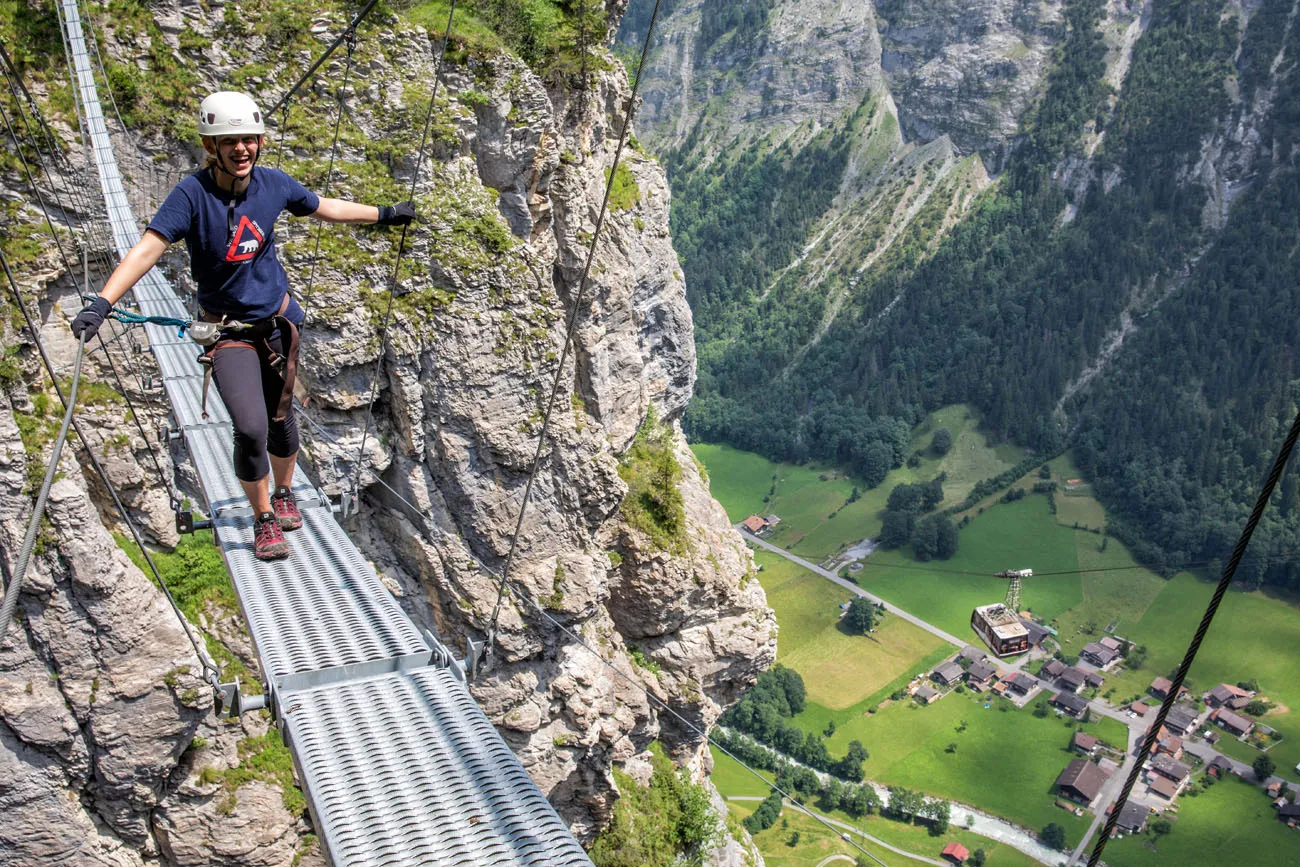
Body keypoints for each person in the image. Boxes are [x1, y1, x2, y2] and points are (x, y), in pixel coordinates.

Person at [71, 92, 415, 561]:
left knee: (281, 420)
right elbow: (149, 248)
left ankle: (284, 492)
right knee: (251, 427)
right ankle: (264, 519)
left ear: (259, 142)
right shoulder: (191, 195)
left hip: (276, 325)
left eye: (248, 140)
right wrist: (104, 302)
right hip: (227, 332)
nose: (241, 150)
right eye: (228, 141)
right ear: (211, 146)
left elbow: (323, 207)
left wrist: (384, 214)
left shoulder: (273, 185)